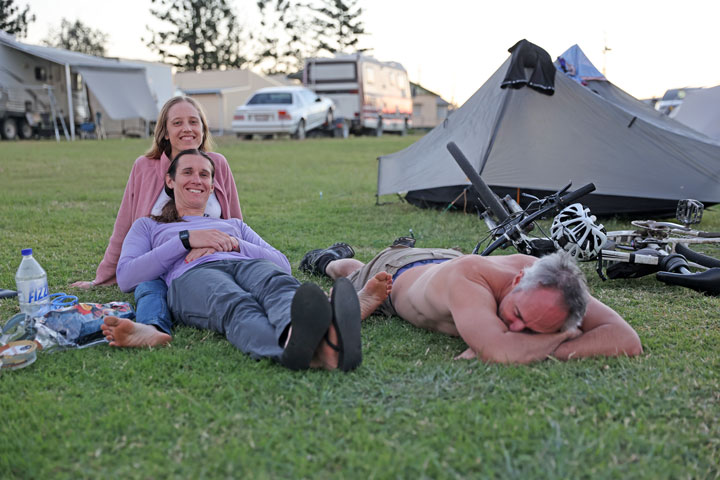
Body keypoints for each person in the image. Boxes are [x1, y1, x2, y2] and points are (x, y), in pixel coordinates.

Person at [102, 149, 389, 371]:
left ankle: (303, 339)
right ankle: (302, 349)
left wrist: (234, 244)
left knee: (279, 285)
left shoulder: (234, 225)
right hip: (192, 276)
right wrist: (187, 241)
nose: (196, 180)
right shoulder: (149, 226)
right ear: (170, 180)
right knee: (234, 302)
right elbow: (127, 276)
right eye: (187, 172)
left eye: (204, 175)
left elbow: (281, 263)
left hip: (245, 263)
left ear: (213, 186)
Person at [71, 96, 244, 338]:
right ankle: (151, 329)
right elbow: (125, 228)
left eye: (194, 122)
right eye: (177, 123)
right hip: (158, 264)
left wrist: (234, 250)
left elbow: (235, 222)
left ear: (203, 130)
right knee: (148, 287)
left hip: (205, 263)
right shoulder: (144, 166)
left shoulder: (217, 164)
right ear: (164, 132)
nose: (187, 129)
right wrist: (102, 279)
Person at [300, 243, 643, 364]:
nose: (517, 329)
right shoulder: (471, 277)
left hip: (443, 262)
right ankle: (328, 258)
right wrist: (564, 337)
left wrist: (534, 345)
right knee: (350, 272)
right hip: (398, 271)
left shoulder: (556, 285)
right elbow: (501, 351)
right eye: (519, 316)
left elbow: (627, 340)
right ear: (519, 279)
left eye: (537, 328)